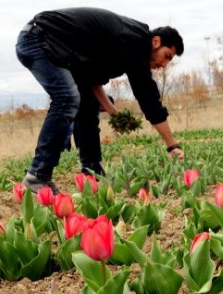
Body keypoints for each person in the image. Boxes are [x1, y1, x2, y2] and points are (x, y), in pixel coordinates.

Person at [15, 7, 185, 194]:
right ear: (156, 41)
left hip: (55, 45)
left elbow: (91, 81)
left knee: (86, 105)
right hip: (39, 39)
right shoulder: (135, 40)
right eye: (166, 56)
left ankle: (92, 173)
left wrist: (114, 113)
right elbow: (147, 96)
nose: (163, 65)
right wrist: (171, 145)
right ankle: (38, 176)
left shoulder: (125, 43)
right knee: (67, 98)